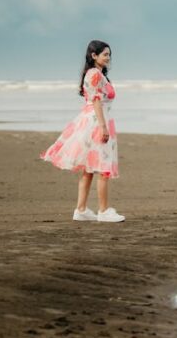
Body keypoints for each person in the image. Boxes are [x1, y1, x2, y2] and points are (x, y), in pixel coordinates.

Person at [41, 40, 125, 222]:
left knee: (89, 169)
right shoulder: (95, 74)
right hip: (96, 121)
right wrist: (103, 126)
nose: (108, 58)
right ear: (94, 56)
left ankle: (81, 210)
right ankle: (103, 211)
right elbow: (96, 100)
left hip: (93, 120)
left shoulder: (94, 73)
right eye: (105, 54)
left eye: (109, 54)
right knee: (103, 168)